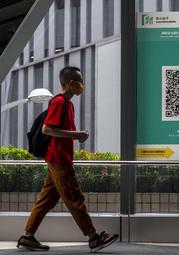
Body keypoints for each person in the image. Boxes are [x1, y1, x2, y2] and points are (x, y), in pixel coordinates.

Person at [17, 66, 118, 253]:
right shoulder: (60, 102)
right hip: (59, 158)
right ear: (71, 83)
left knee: (46, 200)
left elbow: (58, 131)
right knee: (75, 197)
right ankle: (94, 238)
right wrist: (76, 133)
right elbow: (47, 129)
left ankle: (27, 237)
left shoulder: (68, 104)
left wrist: (76, 136)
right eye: (79, 81)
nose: (82, 84)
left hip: (58, 158)